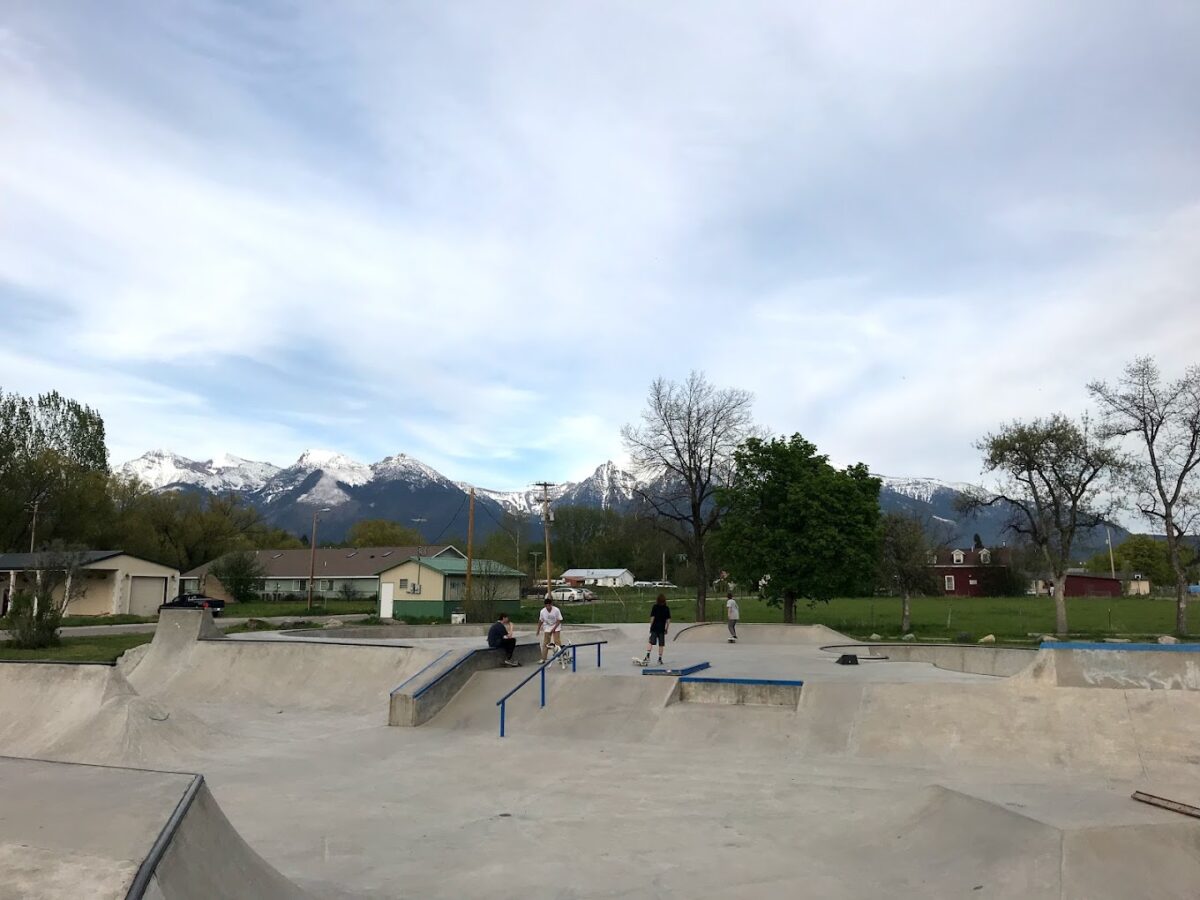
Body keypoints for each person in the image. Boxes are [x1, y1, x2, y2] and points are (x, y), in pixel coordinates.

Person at [642, 594, 671, 665]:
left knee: (650, 642)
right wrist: (666, 628)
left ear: (657, 600)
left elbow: (652, 618)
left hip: (654, 628)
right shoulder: (666, 608)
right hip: (661, 629)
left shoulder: (655, 607)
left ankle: (648, 656)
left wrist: (650, 626)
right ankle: (660, 659)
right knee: (661, 644)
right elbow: (668, 620)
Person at [537, 596, 564, 662]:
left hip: (556, 626)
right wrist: (538, 630)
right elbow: (540, 621)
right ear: (545, 605)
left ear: (551, 604)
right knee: (546, 643)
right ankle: (543, 658)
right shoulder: (542, 611)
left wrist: (554, 629)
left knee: (557, 641)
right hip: (547, 627)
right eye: (547, 606)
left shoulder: (556, 610)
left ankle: (560, 657)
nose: (548, 607)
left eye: (549, 605)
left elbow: (559, 620)